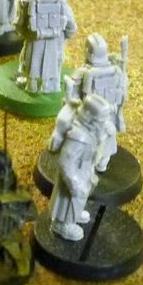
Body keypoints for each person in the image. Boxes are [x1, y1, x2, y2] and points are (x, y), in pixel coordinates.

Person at [46, 94, 117, 240]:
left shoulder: (88, 131)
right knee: (69, 200)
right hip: (74, 175)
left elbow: (95, 146)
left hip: (83, 170)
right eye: (100, 121)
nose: (103, 124)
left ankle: (73, 216)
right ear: (90, 118)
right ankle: (62, 224)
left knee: (78, 199)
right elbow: (66, 162)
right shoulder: (78, 137)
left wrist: (105, 135)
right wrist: (74, 183)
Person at [15, 0, 76, 94]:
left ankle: (31, 85)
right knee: (51, 64)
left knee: (32, 61)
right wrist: (64, 36)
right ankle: (47, 86)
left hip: (34, 40)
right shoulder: (61, 2)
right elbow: (71, 25)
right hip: (54, 43)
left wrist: (26, 33)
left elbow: (20, 22)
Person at [68, 33, 128, 138]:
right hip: (109, 117)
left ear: (87, 51)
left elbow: (73, 97)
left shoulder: (82, 73)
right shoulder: (115, 70)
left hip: (90, 122)